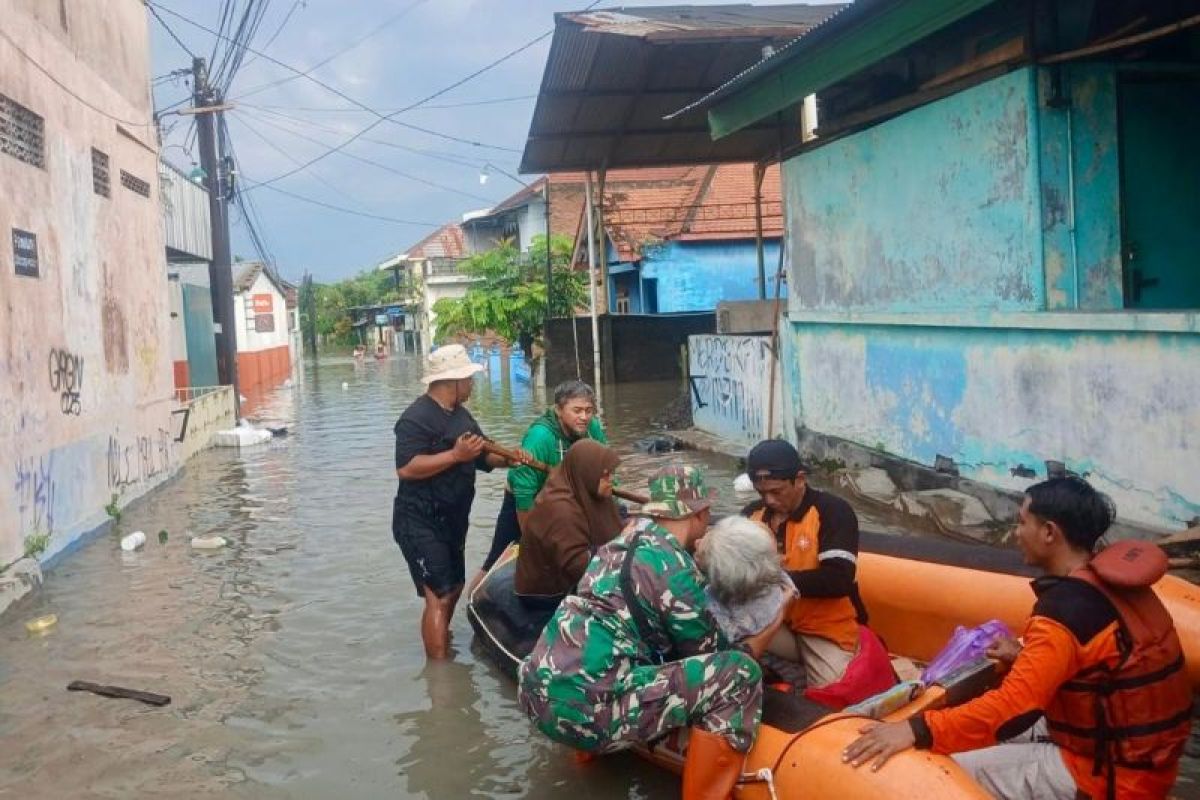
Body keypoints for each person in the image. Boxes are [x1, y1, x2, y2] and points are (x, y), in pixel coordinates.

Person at [844, 477, 1192, 800]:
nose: (1015, 533)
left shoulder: (1065, 611)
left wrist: (916, 729)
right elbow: (1098, 663)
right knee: (968, 732)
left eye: (1023, 522)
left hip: (1108, 775)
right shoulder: (1114, 586)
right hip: (1141, 759)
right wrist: (1021, 657)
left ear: (1049, 532)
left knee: (935, 769)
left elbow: (1013, 708)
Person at [518, 466, 785, 800]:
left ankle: (586, 763)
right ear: (701, 513)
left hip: (535, 690)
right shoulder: (674, 571)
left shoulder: (620, 541)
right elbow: (710, 653)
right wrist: (771, 626)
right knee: (740, 673)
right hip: (588, 712)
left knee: (607, 663)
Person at [392, 344, 526, 660]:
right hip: (419, 520)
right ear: (453, 381)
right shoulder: (415, 418)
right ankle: (440, 678)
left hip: (452, 520)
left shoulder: (462, 417)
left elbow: (484, 454)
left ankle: (442, 645)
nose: (472, 384)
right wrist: (454, 455)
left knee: (453, 587)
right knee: (438, 595)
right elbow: (406, 467)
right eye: (468, 378)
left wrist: (511, 459)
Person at [741, 440, 884, 700]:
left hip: (825, 628)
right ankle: (777, 671)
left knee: (833, 696)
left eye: (776, 491)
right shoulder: (752, 514)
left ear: (800, 479)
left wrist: (774, 579)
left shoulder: (833, 512)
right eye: (761, 493)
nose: (769, 500)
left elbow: (838, 579)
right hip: (776, 622)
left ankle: (802, 667)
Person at [471, 380, 607, 590]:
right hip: (528, 499)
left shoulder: (593, 429)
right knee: (497, 561)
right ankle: (475, 600)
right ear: (559, 410)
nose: (584, 417)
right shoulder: (540, 437)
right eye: (577, 410)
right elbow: (523, 490)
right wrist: (533, 539)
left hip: (567, 499)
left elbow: (605, 469)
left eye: (589, 411)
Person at [514, 439, 622, 602]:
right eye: (605, 475)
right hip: (547, 592)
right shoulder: (560, 510)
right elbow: (577, 565)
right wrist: (618, 550)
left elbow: (616, 524)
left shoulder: (587, 490)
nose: (611, 480)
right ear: (589, 473)